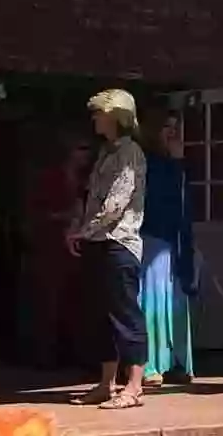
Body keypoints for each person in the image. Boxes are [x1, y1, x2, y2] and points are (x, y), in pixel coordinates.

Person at [69, 89, 149, 410]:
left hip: (119, 243)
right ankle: (105, 383)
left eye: (99, 113)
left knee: (125, 313)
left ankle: (134, 386)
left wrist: (83, 231)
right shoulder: (105, 152)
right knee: (99, 316)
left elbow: (116, 203)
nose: (95, 119)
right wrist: (85, 231)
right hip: (97, 243)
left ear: (117, 116)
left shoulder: (131, 153)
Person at [22, 133, 91, 370]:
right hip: (51, 247)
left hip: (79, 247)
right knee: (49, 301)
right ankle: (45, 356)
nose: (85, 155)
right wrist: (66, 217)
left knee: (76, 301)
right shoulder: (50, 179)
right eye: (81, 149)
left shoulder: (86, 180)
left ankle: (73, 354)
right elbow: (36, 213)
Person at [138, 110, 196, 386]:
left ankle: (178, 362)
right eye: (166, 127)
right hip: (154, 237)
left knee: (176, 302)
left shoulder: (179, 165)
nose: (173, 133)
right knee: (153, 302)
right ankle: (150, 365)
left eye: (177, 127)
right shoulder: (149, 162)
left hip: (178, 241)